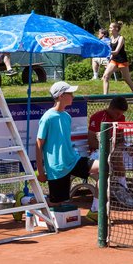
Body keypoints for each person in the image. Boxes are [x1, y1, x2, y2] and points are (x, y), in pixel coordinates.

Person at [37, 80, 101, 223]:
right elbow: (38, 144)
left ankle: (95, 210)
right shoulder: (47, 118)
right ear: (60, 96)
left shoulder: (67, 116)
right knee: (55, 202)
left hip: (74, 160)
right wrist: (41, 172)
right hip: (57, 167)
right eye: (70, 93)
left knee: (105, 166)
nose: (73, 96)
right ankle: (25, 200)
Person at [87, 95, 133, 207]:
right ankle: (123, 189)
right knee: (117, 153)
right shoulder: (97, 117)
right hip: (98, 154)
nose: (119, 116)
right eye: (117, 113)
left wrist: (127, 147)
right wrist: (113, 148)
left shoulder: (121, 118)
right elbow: (91, 142)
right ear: (111, 108)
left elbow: (120, 140)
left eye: (121, 114)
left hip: (116, 152)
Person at [101, 22, 133, 94]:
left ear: (116, 29)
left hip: (122, 61)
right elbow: (112, 53)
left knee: (127, 79)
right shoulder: (111, 38)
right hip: (114, 60)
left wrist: (106, 52)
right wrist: (109, 61)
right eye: (109, 27)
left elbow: (116, 51)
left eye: (111, 28)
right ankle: (105, 97)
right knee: (105, 76)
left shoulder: (121, 38)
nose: (109, 29)